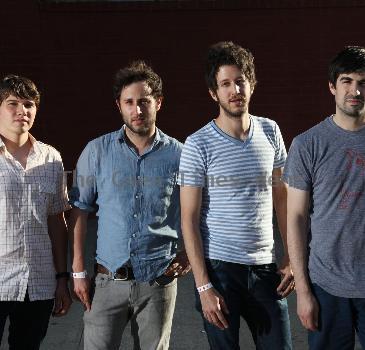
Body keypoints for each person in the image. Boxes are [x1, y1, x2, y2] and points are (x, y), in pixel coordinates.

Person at [179, 41, 293, 350]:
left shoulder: (271, 131)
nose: (235, 90)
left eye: (240, 81)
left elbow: (282, 199)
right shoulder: (198, 144)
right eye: (225, 84)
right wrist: (203, 286)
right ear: (213, 93)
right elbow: (188, 220)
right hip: (220, 270)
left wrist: (291, 256)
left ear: (252, 84)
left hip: (265, 267)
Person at [69, 61, 190, 350]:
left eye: (144, 102)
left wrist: (189, 256)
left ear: (158, 103)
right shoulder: (97, 151)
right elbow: (79, 212)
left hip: (159, 283)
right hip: (107, 281)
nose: (137, 110)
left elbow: (200, 211)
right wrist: (77, 272)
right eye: (130, 102)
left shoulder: (180, 155)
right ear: (119, 105)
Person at [284, 46, 365, 349]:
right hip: (326, 286)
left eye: (362, 82)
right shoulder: (308, 144)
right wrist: (303, 290)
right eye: (347, 81)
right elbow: (296, 218)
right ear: (332, 86)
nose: (355, 90)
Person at [0, 74, 72, 350]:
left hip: (38, 282)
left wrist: (61, 280)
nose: (22, 111)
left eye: (29, 104)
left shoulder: (50, 157)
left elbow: (56, 220)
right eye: (13, 103)